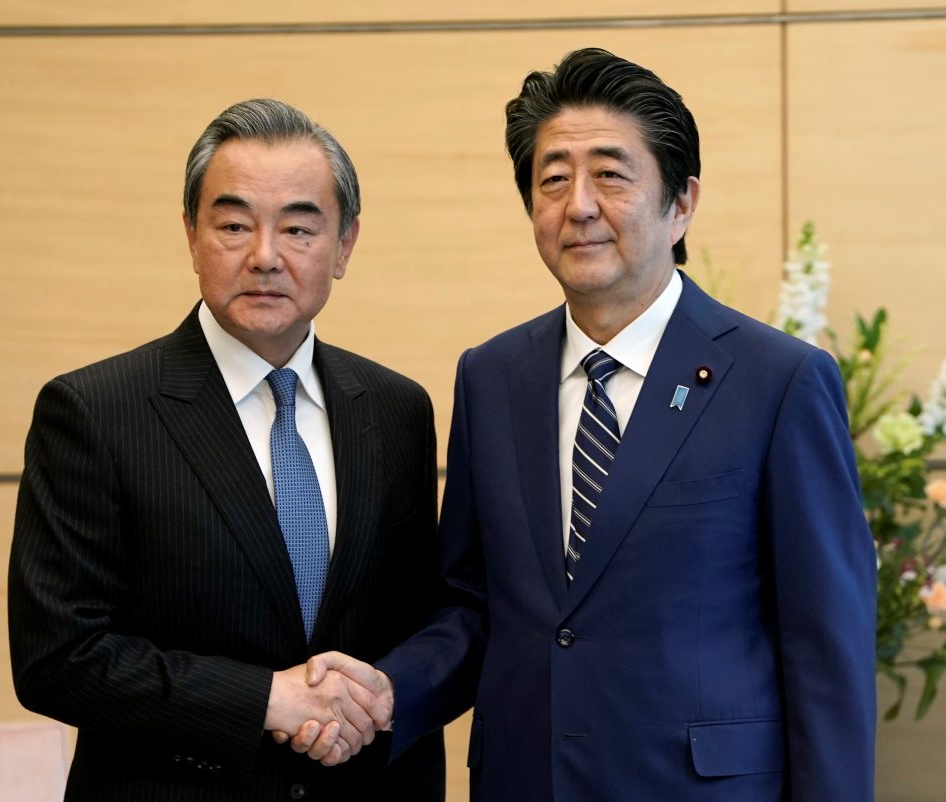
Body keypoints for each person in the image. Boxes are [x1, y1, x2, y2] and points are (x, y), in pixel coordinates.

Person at [302, 48, 877, 800]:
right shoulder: (492, 375)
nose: (577, 204)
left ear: (681, 203)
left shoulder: (779, 381)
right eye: (552, 179)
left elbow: (826, 649)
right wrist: (388, 691)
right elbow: (476, 607)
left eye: (610, 174)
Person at [8, 98, 445, 801]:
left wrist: (382, 694)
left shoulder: (396, 410)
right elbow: (58, 658)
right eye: (234, 224)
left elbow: (426, 619)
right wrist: (264, 700)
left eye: (299, 228)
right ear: (191, 234)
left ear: (345, 246)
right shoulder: (94, 411)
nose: (264, 256)